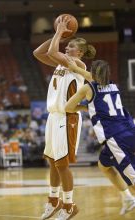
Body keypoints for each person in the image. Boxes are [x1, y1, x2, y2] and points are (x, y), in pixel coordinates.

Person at [33, 16, 96, 220]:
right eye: (66, 46)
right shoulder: (62, 65)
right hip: (53, 117)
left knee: (62, 164)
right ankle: (53, 201)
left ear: (80, 53)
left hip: (67, 118)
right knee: (52, 162)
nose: (67, 48)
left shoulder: (76, 63)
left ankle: (69, 205)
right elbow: (39, 53)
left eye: (70, 46)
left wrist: (60, 33)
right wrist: (57, 35)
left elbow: (52, 51)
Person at [65, 59, 135, 215]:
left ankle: (131, 196)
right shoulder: (113, 85)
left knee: (132, 178)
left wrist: (86, 107)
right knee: (104, 165)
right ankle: (128, 198)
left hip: (116, 137)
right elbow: (92, 78)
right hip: (129, 129)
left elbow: (68, 107)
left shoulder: (87, 88)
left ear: (93, 73)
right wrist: (76, 68)